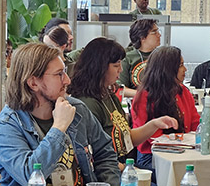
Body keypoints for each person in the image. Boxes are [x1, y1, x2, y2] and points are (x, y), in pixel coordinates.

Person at [0, 43, 121, 186]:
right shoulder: (8, 125)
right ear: (33, 83)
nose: (67, 80)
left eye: (65, 72)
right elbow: (29, 176)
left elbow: (104, 153)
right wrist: (59, 127)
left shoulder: (77, 108)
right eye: (59, 74)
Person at [68, 38, 179, 168]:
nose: (120, 69)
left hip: (121, 165)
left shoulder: (109, 95)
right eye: (116, 65)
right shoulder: (88, 103)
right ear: (99, 67)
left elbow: (126, 138)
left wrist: (154, 124)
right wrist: (126, 169)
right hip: (108, 171)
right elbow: (92, 156)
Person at [131, 46, 200, 171]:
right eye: (180, 65)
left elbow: (196, 123)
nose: (185, 69)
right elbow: (152, 138)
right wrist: (184, 141)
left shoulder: (183, 91)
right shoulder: (144, 95)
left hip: (184, 150)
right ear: (167, 69)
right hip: (152, 155)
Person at [118, 19, 161, 97]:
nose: (159, 35)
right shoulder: (127, 57)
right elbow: (121, 89)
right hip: (135, 100)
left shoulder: (162, 56)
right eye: (154, 32)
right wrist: (145, 96)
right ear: (142, 37)